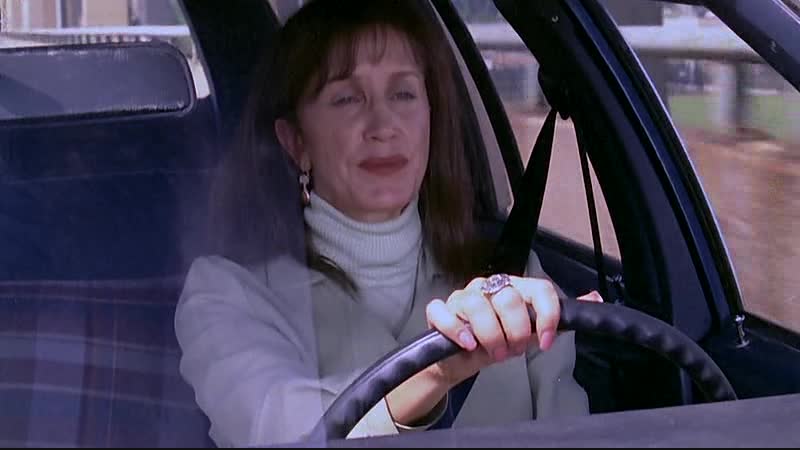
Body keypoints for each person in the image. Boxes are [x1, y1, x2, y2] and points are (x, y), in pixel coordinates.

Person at [175, 0, 596, 447]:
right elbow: (278, 430)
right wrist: (435, 370)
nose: (383, 125)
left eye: (403, 95)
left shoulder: (514, 277)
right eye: (347, 98)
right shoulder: (226, 294)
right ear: (296, 142)